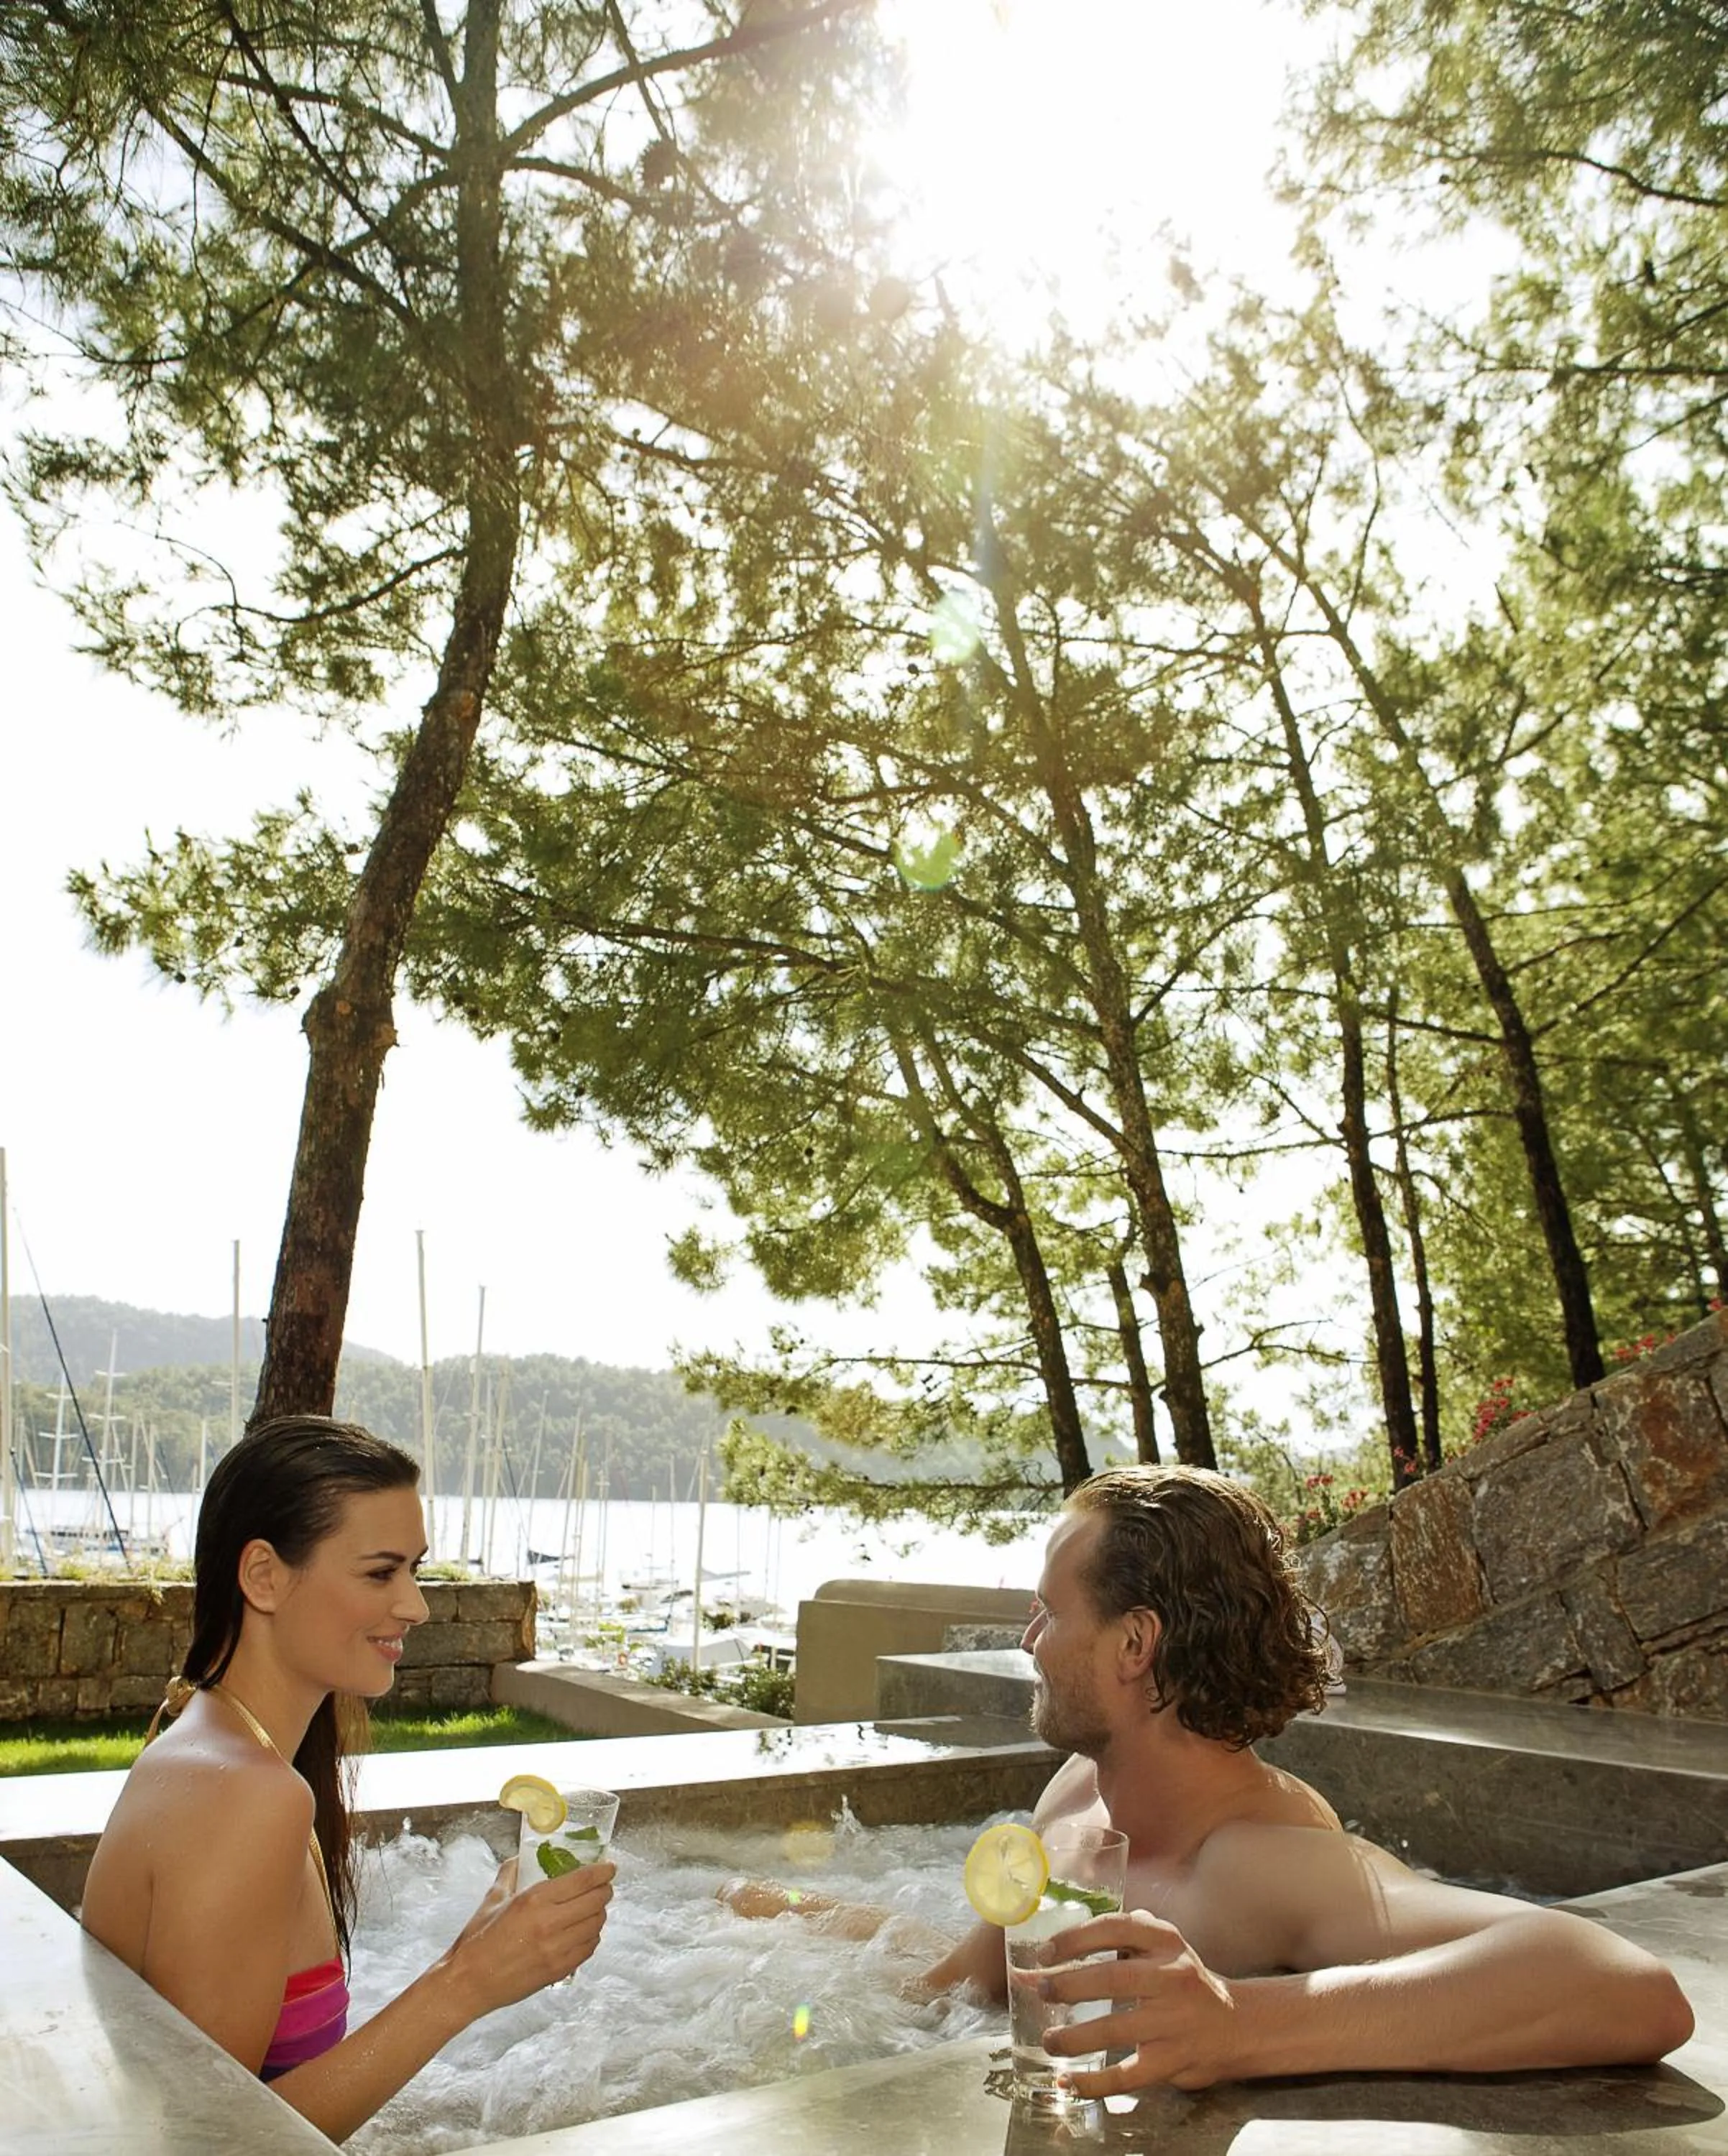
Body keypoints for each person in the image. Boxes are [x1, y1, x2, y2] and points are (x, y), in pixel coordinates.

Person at [727, 1464, 1694, 2095]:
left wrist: (1242, 2023)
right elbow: (965, 1978)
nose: (1026, 1643)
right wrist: (770, 1908)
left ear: (1135, 1643)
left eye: (1046, 1614)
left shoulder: (1260, 1862)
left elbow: (1626, 1985)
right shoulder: (1073, 1796)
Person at [81, 1416, 613, 2142]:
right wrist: (468, 1982)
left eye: (414, 1570)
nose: (415, 1605)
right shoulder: (247, 1795)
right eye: (379, 1572)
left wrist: (475, 1955)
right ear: (264, 1577)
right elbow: (217, 2139)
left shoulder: (203, 1737)